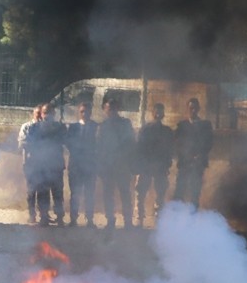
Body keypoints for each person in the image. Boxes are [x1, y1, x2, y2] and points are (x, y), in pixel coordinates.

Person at [18, 103, 66, 225]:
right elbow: (27, 144)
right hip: (40, 165)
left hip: (55, 165)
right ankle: (44, 218)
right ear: (42, 114)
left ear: (54, 114)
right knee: (43, 193)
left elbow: (65, 141)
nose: (47, 115)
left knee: (58, 193)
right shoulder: (33, 128)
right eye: (45, 113)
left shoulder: (60, 127)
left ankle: (60, 218)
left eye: (50, 113)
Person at [96, 97, 135, 230]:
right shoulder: (102, 126)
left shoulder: (125, 124)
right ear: (105, 110)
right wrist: (101, 166)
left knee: (125, 193)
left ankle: (128, 222)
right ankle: (110, 220)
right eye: (108, 109)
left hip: (122, 165)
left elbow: (131, 144)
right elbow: (99, 147)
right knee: (108, 194)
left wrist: (128, 161)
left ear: (117, 109)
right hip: (108, 167)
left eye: (113, 108)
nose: (111, 111)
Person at [134, 102, 174, 226]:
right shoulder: (145, 129)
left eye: (160, 112)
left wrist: (167, 164)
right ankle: (139, 216)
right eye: (156, 111)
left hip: (160, 166)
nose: (158, 114)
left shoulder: (167, 131)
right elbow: (139, 148)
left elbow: (169, 150)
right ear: (152, 113)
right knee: (140, 192)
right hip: (146, 166)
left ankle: (158, 218)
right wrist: (140, 165)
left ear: (163, 114)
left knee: (160, 193)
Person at [173, 97, 214, 210]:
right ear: (187, 109)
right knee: (180, 191)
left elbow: (209, 143)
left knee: (195, 192)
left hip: (198, 164)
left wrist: (199, 156)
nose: (193, 110)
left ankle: (192, 219)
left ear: (199, 109)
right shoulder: (181, 126)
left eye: (195, 108)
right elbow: (177, 144)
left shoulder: (205, 125)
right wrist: (187, 156)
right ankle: (176, 219)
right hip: (184, 163)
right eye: (191, 108)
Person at [65, 102, 99, 227]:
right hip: (76, 166)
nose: (85, 114)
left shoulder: (96, 127)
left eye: (87, 111)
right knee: (75, 193)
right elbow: (68, 143)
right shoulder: (73, 127)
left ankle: (89, 219)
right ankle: (73, 219)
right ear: (79, 112)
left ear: (91, 112)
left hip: (90, 166)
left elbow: (98, 144)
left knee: (89, 193)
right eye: (82, 111)